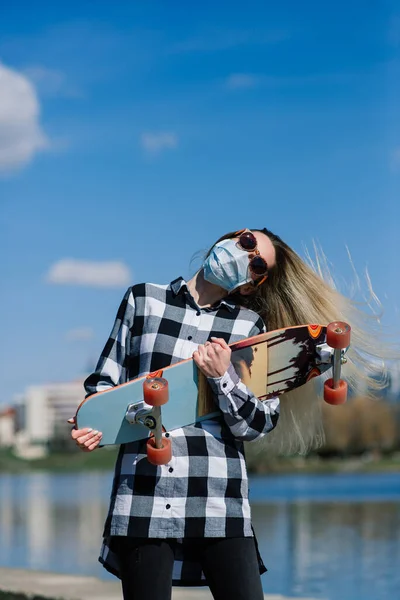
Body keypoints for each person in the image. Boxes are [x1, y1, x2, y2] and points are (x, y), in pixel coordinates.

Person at [69, 227, 387, 600]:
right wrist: (95, 426)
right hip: (144, 493)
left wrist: (223, 378)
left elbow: (257, 424)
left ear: (252, 285)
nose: (243, 255)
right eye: (247, 242)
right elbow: (104, 384)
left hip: (219, 498)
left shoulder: (249, 328)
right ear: (230, 236)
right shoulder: (143, 301)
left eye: (256, 264)